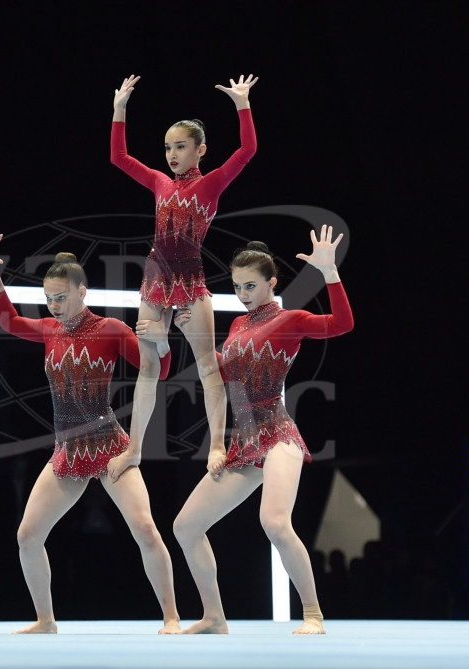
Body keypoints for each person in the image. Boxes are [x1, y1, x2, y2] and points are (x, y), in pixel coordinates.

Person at [0, 230, 182, 634]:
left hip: (109, 447)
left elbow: (157, 373)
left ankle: (172, 617)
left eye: (60, 297)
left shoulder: (109, 329)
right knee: (28, 535)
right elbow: (9, 320)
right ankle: (45, 621)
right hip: (67, 452)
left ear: (81, 292)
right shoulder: (49, 331)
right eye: (48, 298)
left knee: (144, 527)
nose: (53, 305)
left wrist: (162, 345)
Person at [162, 225, 353, 634]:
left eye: (251, 285)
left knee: (275, 523)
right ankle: (214, 616)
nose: (244, 293)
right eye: (237, 287)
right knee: (185, 526)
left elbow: (341, 324)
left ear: (271, 282)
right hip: (245, 442)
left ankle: (314, 614)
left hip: (278, 434)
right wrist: (192, 336)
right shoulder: (236, 327)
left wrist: (329, 273)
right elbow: (223, 371)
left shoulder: (290, 320)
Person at [108, 73, 258, 484]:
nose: (172, 154)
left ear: (200, 150)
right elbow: (119, 159)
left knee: (209, 365)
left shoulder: (210, 185)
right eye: (168, 148)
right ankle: (135, 449)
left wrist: (242, 104)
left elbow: (248, 150)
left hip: (190, 283)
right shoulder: (159, 182)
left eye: (180, 147)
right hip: (156, 279)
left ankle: (216, 445)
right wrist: (120, 108)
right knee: (149, 368)